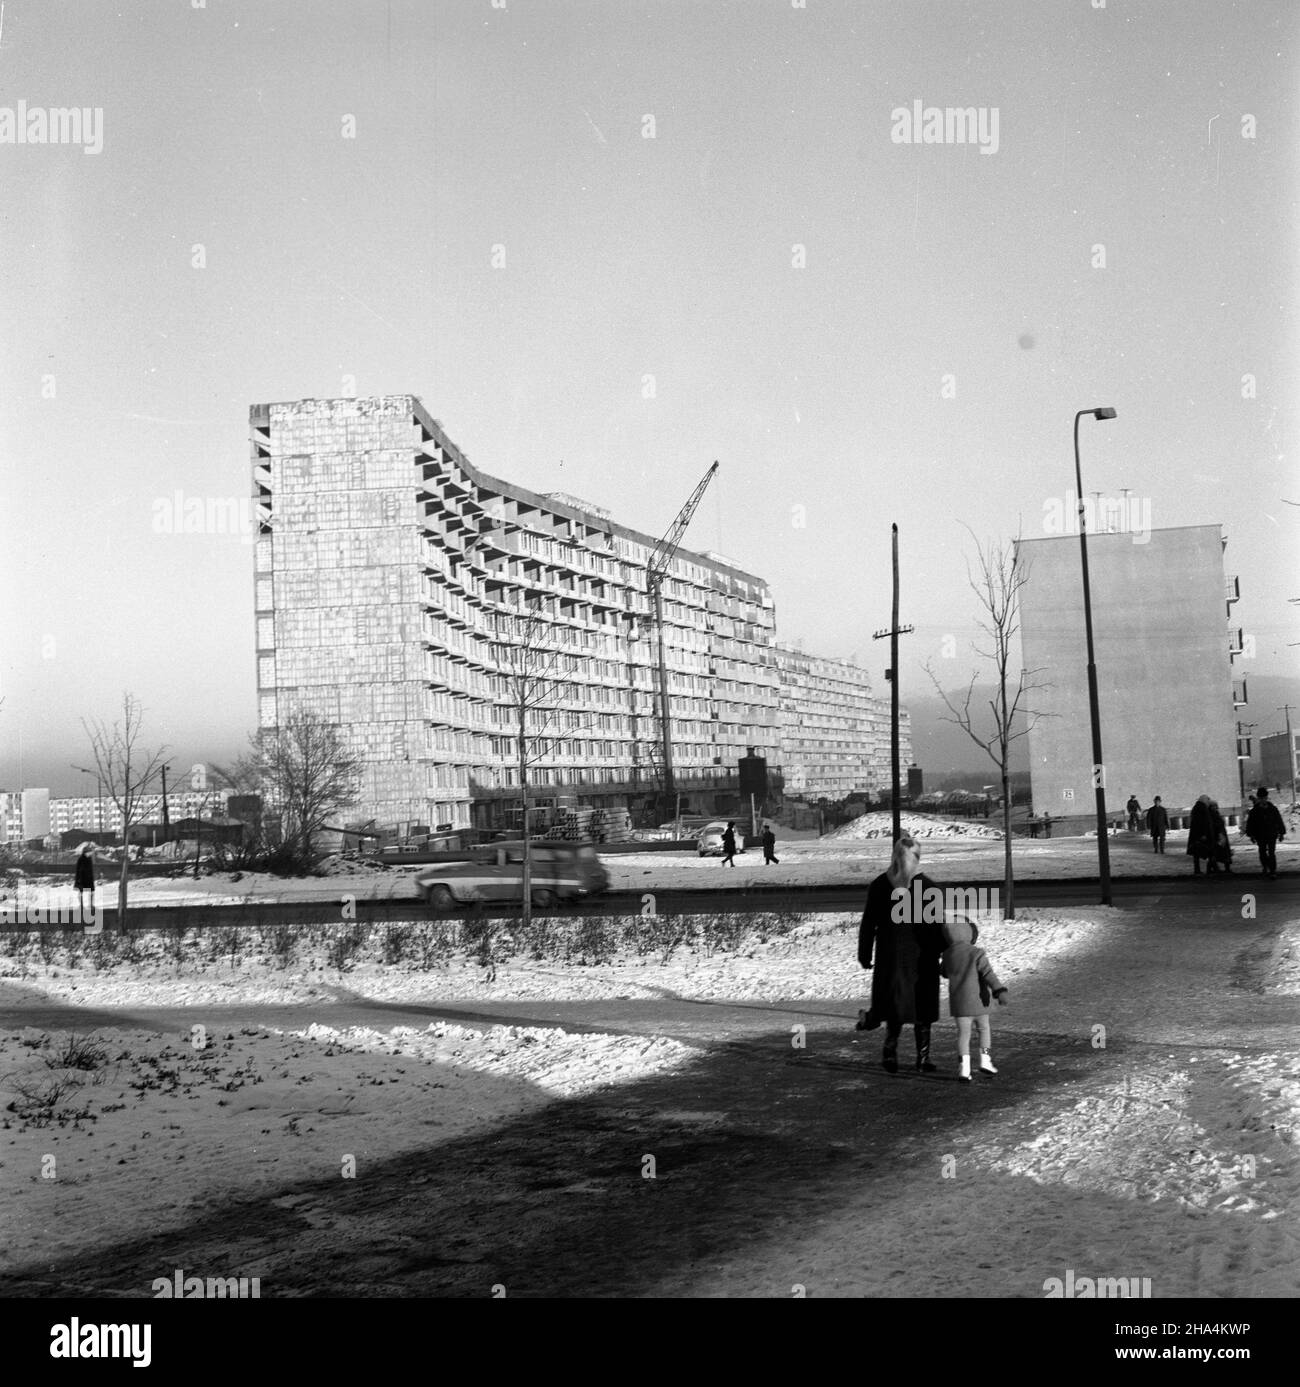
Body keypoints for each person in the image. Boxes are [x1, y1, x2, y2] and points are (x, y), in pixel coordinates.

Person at [855, 834, 944, 1075]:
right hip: (922, 957)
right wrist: (944, 957)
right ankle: (922, 1058)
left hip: (892, 956)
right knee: (922, 1007)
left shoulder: (881, 885)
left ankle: (890, 1053)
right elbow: (937, 927)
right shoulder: (927, 887)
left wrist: (864, 952)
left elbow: (868, 923)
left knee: (896, 1005)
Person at [940, 916, 1008, 1082]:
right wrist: (999, 990)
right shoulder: (976, 953)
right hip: (979, 1002)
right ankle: (985, 1060)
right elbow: (988, 974)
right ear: (969, 932)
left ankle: (964, 1068)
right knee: (984, 1030)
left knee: (963, 1035)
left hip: (960, 1005)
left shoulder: (948, 955)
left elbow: (943, 972)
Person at [1245, 786, 1286, 879]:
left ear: (1267, 798)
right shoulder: (1255, 811)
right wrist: (1251, 835)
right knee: (1262, 852)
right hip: (1260, 835)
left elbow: (1278, 821)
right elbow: (1251, 823)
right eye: (1261, 798)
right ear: (1259, 798)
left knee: (1271, 852)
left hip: (1271, 834)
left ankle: (1272, 870)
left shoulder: (1272, 809)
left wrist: (1281, 833)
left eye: (1264, 798)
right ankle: (1265, 867)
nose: (1263, 800)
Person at [1187, 795, 1215, 876]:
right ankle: (1209, 869)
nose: (1208, 803)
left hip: (1197, 834)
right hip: (1201, 834)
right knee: (1206, 850)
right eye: (1207, 801)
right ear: (1204, 800)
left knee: (1197, 852)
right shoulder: (1201, 808)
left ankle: (1198, 869)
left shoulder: (1197, 807)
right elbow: (1202, 822)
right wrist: (1203, 834)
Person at [1207, 800, 1232, 874]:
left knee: (1222, 852)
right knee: (1218, 852)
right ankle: (1213, 869)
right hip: (1218, 836)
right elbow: (1215, 826)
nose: (1215, 807)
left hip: (1221, 835)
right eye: (1213, 806)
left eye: (1215, 806)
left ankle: (1216, 869)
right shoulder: (1212, 815)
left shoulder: (1215, 814)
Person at [73, 842, 96, 920]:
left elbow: (90, 869)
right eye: (89, 852)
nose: (90, 853)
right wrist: (79, 879)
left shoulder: (88, 859)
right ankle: (82, 905)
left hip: (88, 879)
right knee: (81, 892)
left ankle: (91, 904)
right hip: (82, 879)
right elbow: (79, 870)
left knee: (91, 892)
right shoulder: (81, 859)